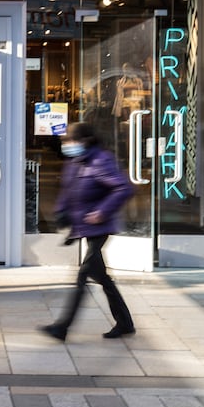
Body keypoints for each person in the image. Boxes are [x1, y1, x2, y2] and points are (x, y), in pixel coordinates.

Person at [40, 122, 136, 342]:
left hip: (99, 227)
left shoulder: (101, 160)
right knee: (101, 277)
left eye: (71, 141)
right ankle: (125, 323)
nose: (67, 145)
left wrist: (102, 212)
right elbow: (68, 191)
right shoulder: (76, 162)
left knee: (83, 276)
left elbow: (124, 188)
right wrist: (61, 211)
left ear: (84, 141)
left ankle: (62, 327)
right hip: (85, 227)